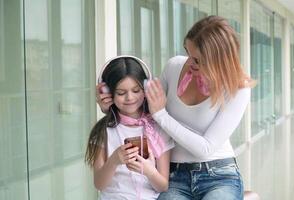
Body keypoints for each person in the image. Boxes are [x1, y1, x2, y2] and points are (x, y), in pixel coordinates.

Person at [97, 15, 254, 200]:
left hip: (218, 173)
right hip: (174, 175)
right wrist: (108, 107)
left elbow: (205, 148)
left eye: (197, 60)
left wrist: (162, 115)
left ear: (217, 61)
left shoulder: (238, 88)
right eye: (188, 53)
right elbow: (143, 112)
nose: (189, 63)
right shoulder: (174, 66)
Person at [86, 56, 174, 200]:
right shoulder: (104, 131)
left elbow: (163, 186)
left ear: (146, 88)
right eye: (121, 93)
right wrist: (114, 160)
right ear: (108, 93)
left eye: (136, 90)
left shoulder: (159, 129)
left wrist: (149, 171)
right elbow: (99, 184)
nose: (130, 98)